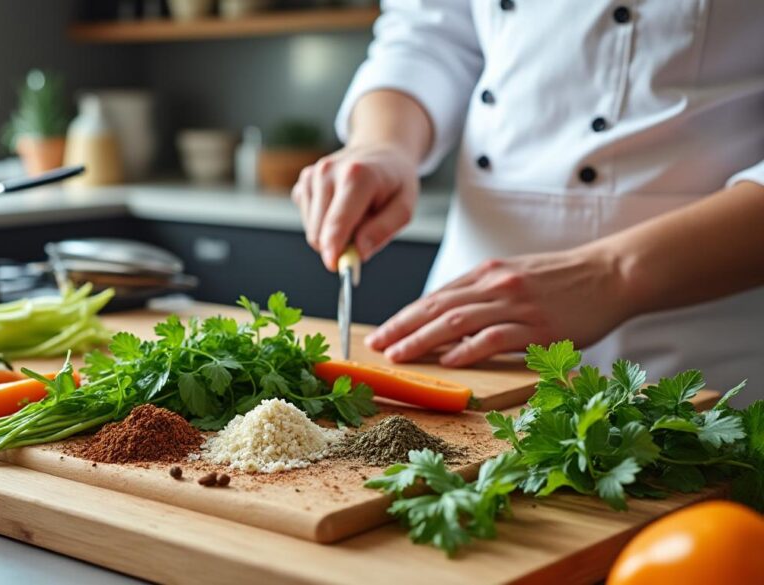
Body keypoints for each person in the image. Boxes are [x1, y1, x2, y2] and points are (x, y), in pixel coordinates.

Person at [292, 0, 764, 405]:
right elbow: (428, 36)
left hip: (697, 345)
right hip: (470, 327)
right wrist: (383, 144)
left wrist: (615, 274)